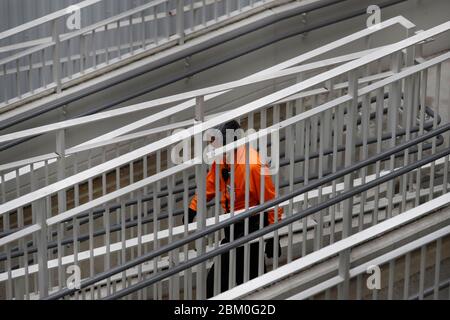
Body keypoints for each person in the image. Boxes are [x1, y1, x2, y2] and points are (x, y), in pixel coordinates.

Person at [187, 120, 282, 298]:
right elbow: (210, 184)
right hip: (231, 226)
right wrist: (193, 207)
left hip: (251, 224)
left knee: (221, 281)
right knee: (249, 277)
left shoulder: (254, 165)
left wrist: (272, 235)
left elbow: (271, 200)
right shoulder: (223, 160)